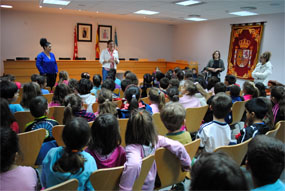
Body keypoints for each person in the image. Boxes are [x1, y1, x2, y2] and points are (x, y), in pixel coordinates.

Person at [119, 110, 191, 190]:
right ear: (151, 128)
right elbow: (178, 146)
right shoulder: (156, 140)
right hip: (151, 184)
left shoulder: (132, 149)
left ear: (129, 129)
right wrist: (186, 165)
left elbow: (134, 164)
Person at [41, 117, 97, 190]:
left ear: (63, 137)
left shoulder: (51, 153)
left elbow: (44, 182)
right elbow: (91, 188)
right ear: (87, 140)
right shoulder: (90, 160)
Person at [25, 96, 58, 164]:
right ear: (46, 111)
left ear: (31, 112)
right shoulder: (54, 123)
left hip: (36, 158)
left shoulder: (28, 126)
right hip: (54, 157)